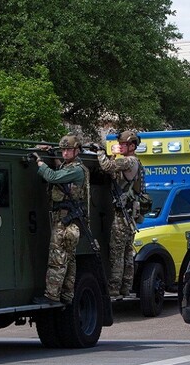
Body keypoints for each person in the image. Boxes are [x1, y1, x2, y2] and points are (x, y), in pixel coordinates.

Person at [31, 134, 89, 305]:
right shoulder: (71, 167)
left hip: (65, 220)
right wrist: (52, 153)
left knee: (57, 257)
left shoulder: (77, 169)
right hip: (67, 219)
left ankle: (52, 295)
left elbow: (53, 177)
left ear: (77, 150)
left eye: (68, 150)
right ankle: (67, 295)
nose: (65, 153)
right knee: (69, 258)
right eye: (63, 150)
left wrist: (39, 162)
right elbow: (61, 170)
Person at [95, 130, 144, 299]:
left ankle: (114, 288)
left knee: (117, 251)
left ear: (132, 146)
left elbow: (107, 167)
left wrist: (99, 152)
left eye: (124, 144)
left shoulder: (129, 161)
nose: (120, 147)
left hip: (123, 215)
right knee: (127, 251)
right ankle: (126, 287)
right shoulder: (135, 161)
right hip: (130, 214)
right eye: (120, 144)